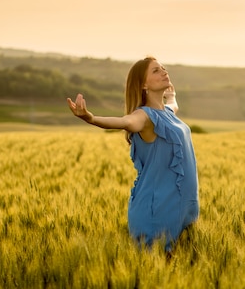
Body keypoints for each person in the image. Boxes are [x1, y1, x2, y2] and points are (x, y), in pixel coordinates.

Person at [67, 56, 199, 251]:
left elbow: (173, 106)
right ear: (143, 84)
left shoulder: (167, 113)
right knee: (157, 271)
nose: (164, 71)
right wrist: (91, 118)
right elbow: (124, 122)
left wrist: (171, 97)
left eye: (163, 68)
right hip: (158, 210)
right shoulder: (143, 116)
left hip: (182, 207)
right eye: (156, 70)